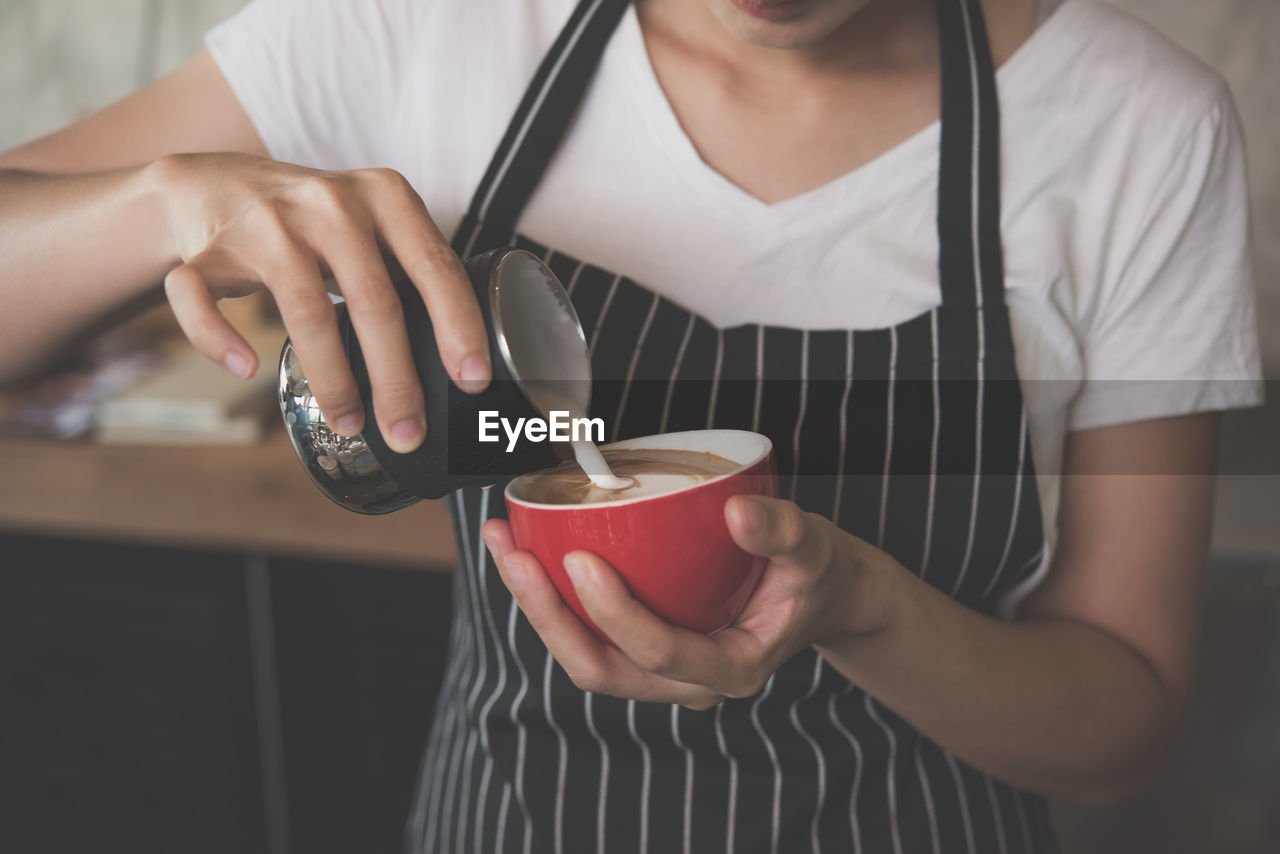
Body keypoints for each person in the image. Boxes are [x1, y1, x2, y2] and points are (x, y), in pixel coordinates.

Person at [0, 0, 1263, 850]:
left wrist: (864, 607)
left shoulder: (1134, 123)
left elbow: (1121, 729)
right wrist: (161, 203)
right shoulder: (427, 32)